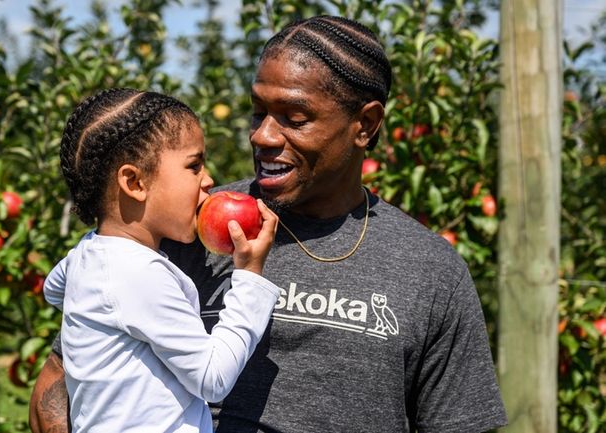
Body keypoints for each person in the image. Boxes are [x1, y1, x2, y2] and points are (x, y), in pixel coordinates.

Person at [30, 15, 508, 433]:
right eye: (258, 112)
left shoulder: (429, 269)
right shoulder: (181, 225)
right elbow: (63, 378)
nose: (262, 135)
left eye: (294, 118)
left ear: (365, 124)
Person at [44, 87, 281, 433]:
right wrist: (249, 277)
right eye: (194, 165)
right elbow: (212, 378)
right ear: (134, 182)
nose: (209, 180)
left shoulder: (87, 256)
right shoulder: (138, 275)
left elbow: (54, 290)